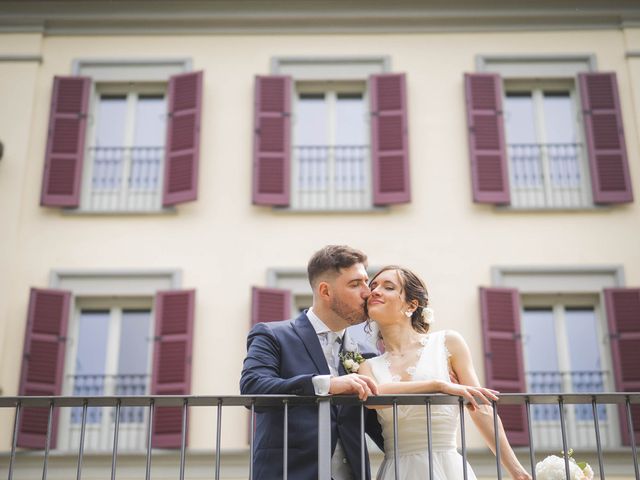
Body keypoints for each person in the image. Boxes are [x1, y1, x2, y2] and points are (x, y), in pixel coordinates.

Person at [359, 265, 532, 480]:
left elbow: (481, 409)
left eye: (389, 287)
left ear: (412, 305)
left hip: (447, 467)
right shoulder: (368, 366)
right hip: (397, 471)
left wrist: (517, 471)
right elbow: (373, 397)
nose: (375, 291)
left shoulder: (447, 343)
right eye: (373, 286)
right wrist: (439, 385)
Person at [240, 245, 385, 480]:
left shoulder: (366, 354)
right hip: (288, 473)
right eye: (355, 284)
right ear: (325, 291)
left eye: (366, 282)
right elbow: (252, 388)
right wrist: (326, 385)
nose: (368, 292)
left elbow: (381, 427)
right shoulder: (272, 335)